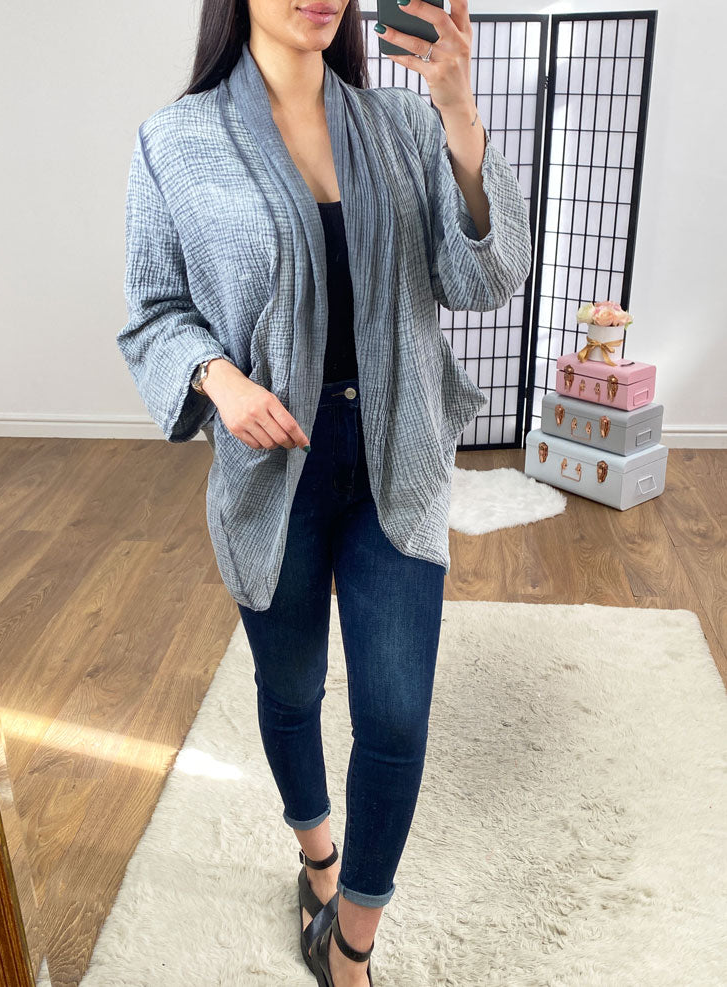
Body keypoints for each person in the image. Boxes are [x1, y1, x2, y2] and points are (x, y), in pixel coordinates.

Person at [118, 0, 531, 981]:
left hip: (399, 452)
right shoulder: (175, 143)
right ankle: (316, 857)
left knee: (395, 716)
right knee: (291, 686)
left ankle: (352, 942)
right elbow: (154, 312)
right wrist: (219, 379)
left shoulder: (400, 122)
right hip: (274, 470)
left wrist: (458, 112)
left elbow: (483, 280)